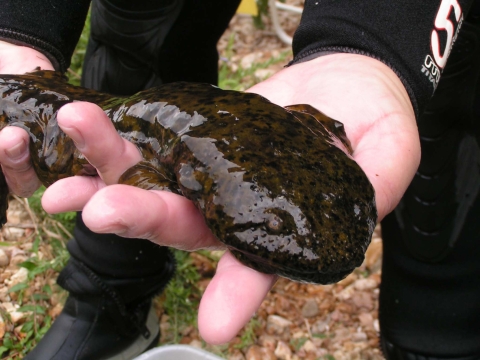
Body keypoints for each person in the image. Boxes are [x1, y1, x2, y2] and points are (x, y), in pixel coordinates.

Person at [0, 0, 478, 359]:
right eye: (274, 223)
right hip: (104, 106)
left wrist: (374, 46)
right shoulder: (167, 155)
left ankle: (435, 338)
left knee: (448, 131)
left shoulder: (287, 134)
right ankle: (109, 290)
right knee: (138, 41)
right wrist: (19, 25)